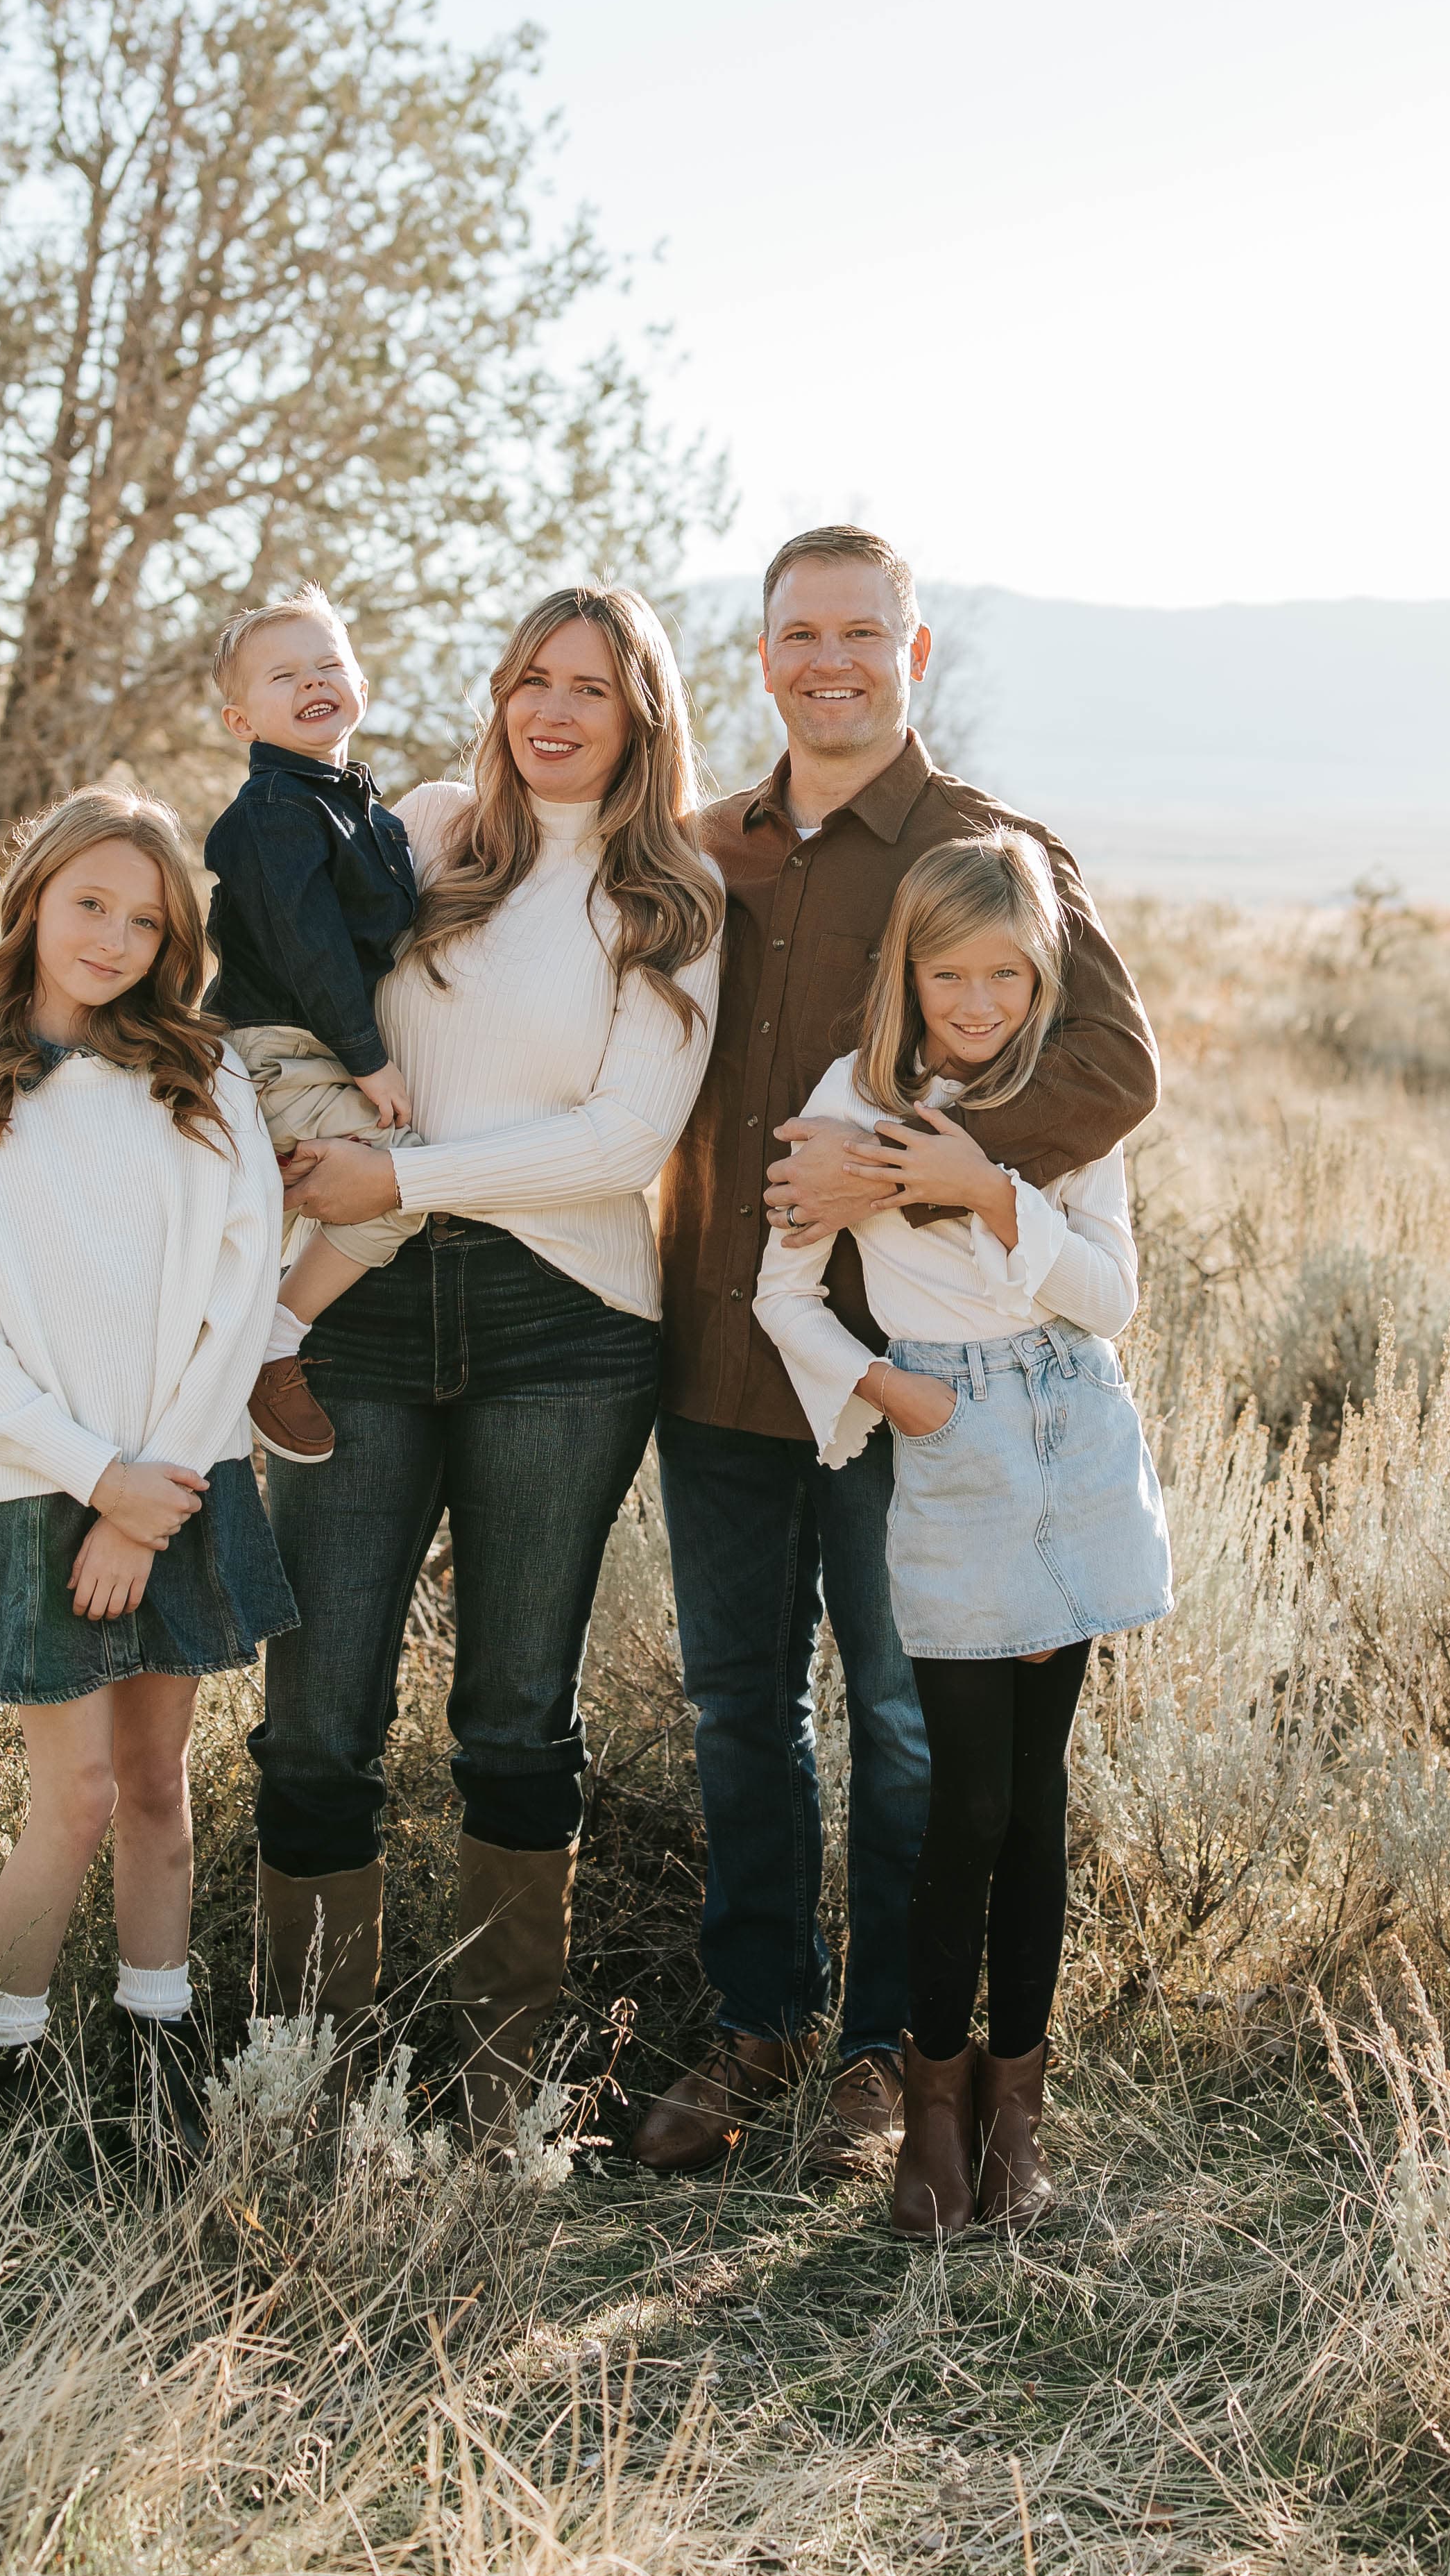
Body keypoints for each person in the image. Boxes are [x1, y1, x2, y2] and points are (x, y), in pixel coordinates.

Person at [640, 525, 1159, 2179]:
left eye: (864, 630)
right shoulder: (705, 847)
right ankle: (757, 2025)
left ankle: (887, 2061)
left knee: (900, 1718)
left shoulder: (982, 845)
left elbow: (1114, 1072)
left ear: (911, 653)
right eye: (799, 632)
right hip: (722, 1351)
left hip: (914, 1376)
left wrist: (922, 1161)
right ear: (765, 653)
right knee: (738, 1710)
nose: (830, 659)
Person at [253, 584, 724, 2146]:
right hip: (360, 1321)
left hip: (561, 1325)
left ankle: (497, 2089)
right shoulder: (434, 831)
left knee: (513, 1715)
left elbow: (622, 1142)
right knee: (319, 1710)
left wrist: (408, 1181)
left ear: (641, 714)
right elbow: (288, 962)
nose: (556, 709)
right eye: (533, 677)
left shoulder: (673, 900)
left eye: (593, 686)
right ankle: (308, 2082)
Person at [753, 831, 1171, 2235]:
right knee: (963, 1802)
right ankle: (930, 2118)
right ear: (909, 971)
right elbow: (783, 1295)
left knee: (1037, 1804)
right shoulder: (854, 1098)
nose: (978, 1000)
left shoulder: (1057, 1104)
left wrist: (1000, 1194)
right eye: (951, 972)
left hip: (1072, 1433)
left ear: (1044, 971)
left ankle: (1015, 2121)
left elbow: (1110, 1297)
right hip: (951, 1446)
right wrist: (888, 1392)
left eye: (1007, 971)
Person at [0, 788, 292, 2137]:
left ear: (175, 938)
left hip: (179, 1483)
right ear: (34, 905)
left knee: (162, 1787)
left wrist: (153, 1489)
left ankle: (159, 2063)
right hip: (34, 1491)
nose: (113, 937)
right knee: (73, 1794)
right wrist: (93, 1481)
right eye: (88, 904)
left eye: (144, 916)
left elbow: (239, 1302)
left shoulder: (202, 1083)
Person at [202, 584, 425, 1468]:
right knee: (399, 1181)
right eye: (283, 675)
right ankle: (267, 1342)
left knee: (341, 1190)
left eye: (329, 663)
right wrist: (370, 1062)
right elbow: (310, 950)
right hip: (275, 1044)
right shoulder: (274, 815)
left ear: (360, 680)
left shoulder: (358, 804)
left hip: (311, 1046)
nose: (312, 683)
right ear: (238, 717)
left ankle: (248, 1330)